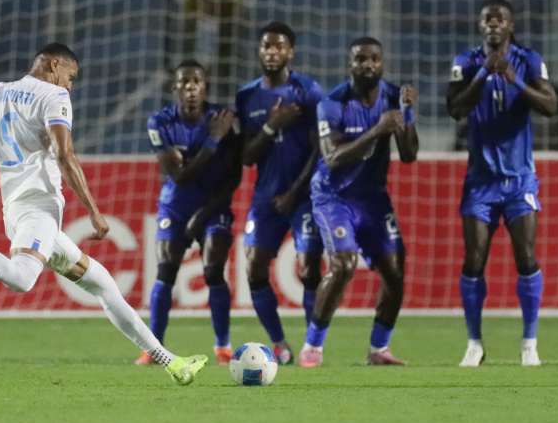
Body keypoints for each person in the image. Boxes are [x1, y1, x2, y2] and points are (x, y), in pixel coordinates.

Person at [0, 43, 208, 385]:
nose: (71, 86)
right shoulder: (53, 97)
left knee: (103, 284)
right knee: (21, 278)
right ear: (52, 64)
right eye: (71, 76)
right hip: (38, 209)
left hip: (18, 209)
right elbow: (65, 156)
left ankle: (172, 363)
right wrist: (94, 212)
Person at [446, 0, 557, 367]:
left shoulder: (528, 60)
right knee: (474, 258)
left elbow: (550, 105)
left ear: (511, 25)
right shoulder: (466, 63)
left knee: (526, 257)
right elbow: (455, 109)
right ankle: (474, 343)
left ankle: (529, 343)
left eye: (500, 19)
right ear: (481, 26)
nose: (493, 24)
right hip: (480, 181)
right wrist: (483, 75)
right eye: (487, 20)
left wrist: (515, 80)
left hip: (519, 179)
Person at [300, 37, 419, 368]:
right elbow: (333, 157)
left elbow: (409, 155)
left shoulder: (394, 97)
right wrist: (378, 130)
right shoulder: (332, 103)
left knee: (395, 273)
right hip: (332, 196)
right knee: (343, 264)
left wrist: (407, 116)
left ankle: (379, 350)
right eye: (361, 59)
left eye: (375, 59)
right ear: (350, 65)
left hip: (372, 198)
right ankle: (313, 347)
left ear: (382, 63)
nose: (369, 64)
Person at [138, 59, 242, 366]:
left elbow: (234, 175)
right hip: (176, 205)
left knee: (212, 270)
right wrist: (212, 141)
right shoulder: (160, 122)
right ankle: (154, 349)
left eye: (196, 82)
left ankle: (223, 346)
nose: (190, 88)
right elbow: (179, 176)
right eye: (184, 83)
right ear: (175, 88)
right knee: (166, 269)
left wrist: (205, 211)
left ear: (205, 85)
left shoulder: (224, 119)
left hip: (214, 207)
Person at [235, 21, 324, 365]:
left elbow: (320, 149)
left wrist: (295, 191)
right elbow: (247, 157)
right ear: (259, 52)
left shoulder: (309, 91)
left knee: (309, 269)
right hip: (266, 199)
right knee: (254, 268)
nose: (272, 52)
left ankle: (312, 346)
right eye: (266, 47)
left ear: (291, 51)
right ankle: (280, 344)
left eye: (279, 46)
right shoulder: (247, 97)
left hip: (303, 197)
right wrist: (273, 125)